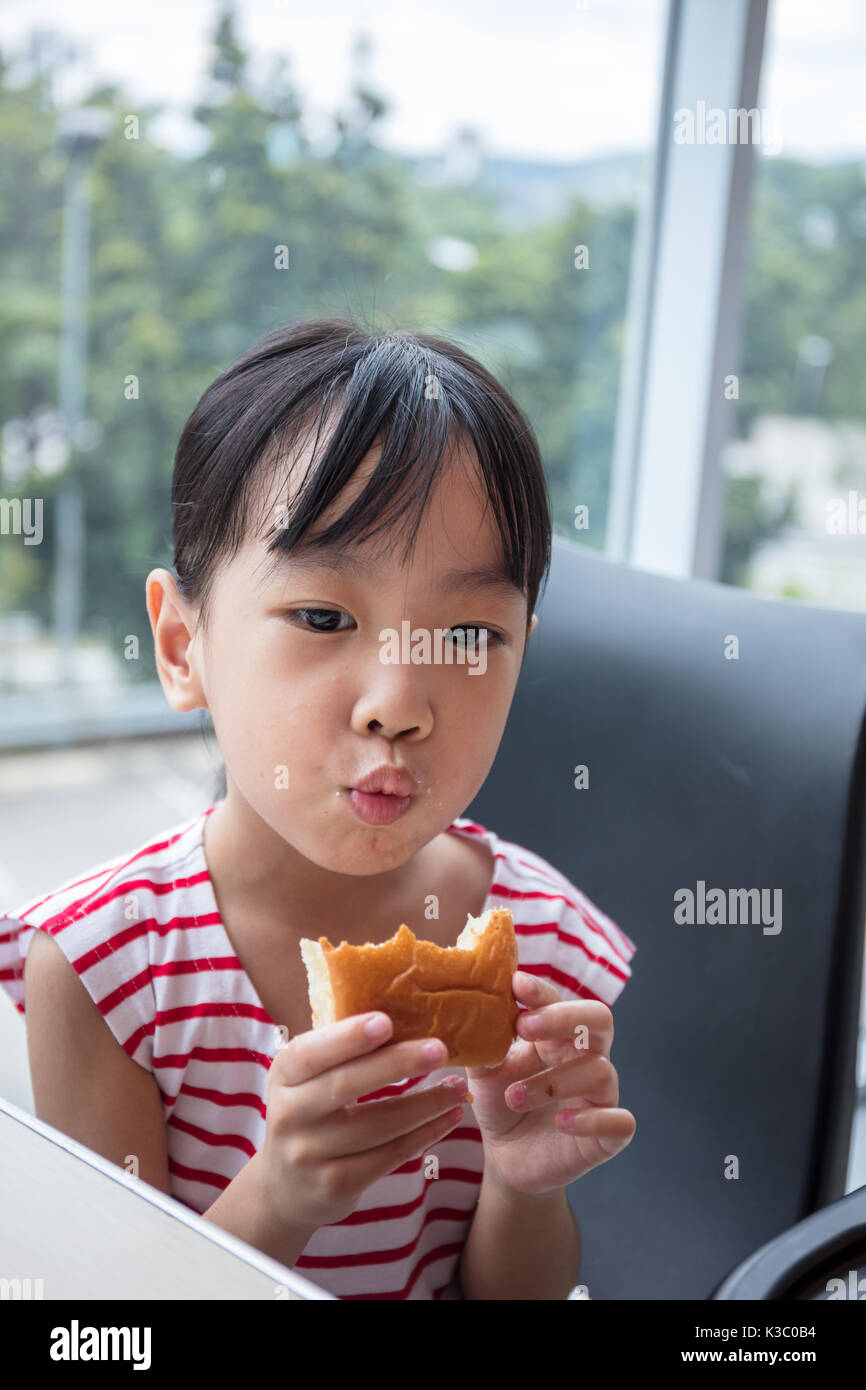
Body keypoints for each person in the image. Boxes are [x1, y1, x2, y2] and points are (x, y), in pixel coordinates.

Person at [0, 317, 637, 1300]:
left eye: (469, 634)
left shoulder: (533, 936)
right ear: (181, 645)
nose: (398, 700)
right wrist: (280, 1198)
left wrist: (522, 1183)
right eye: (324, 617)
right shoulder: (104, 970)